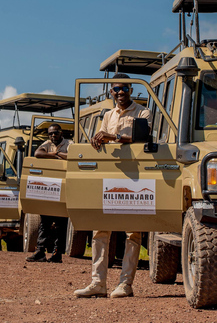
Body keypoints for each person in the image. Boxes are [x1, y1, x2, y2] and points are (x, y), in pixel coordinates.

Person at [76, 73, 151, 299]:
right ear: (111, 92)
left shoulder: (143, 112)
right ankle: (98, 283)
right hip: (110, 174)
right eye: (116, 89)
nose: (120, 93)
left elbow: (140, 137)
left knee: (132, 230)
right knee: (100, 227)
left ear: (131, 90)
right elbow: (104, 139)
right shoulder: (107, 114)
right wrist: (97, 140)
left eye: (124, 88)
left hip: (135, 176)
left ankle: (125, 284)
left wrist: (111, 135)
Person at [27, 124, 71, 263]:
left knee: (61, 224)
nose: (53, 136)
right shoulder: (47, 144)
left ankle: (57, 254)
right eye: (50, 134)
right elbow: (37, 153)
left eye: (55, 133)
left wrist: (54, 154)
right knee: (44, 222)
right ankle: (40, 251)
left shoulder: (70, 143)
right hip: (50, 186)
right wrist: (56, 154)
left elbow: (72, 157)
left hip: (64, 186)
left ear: (61, 132)